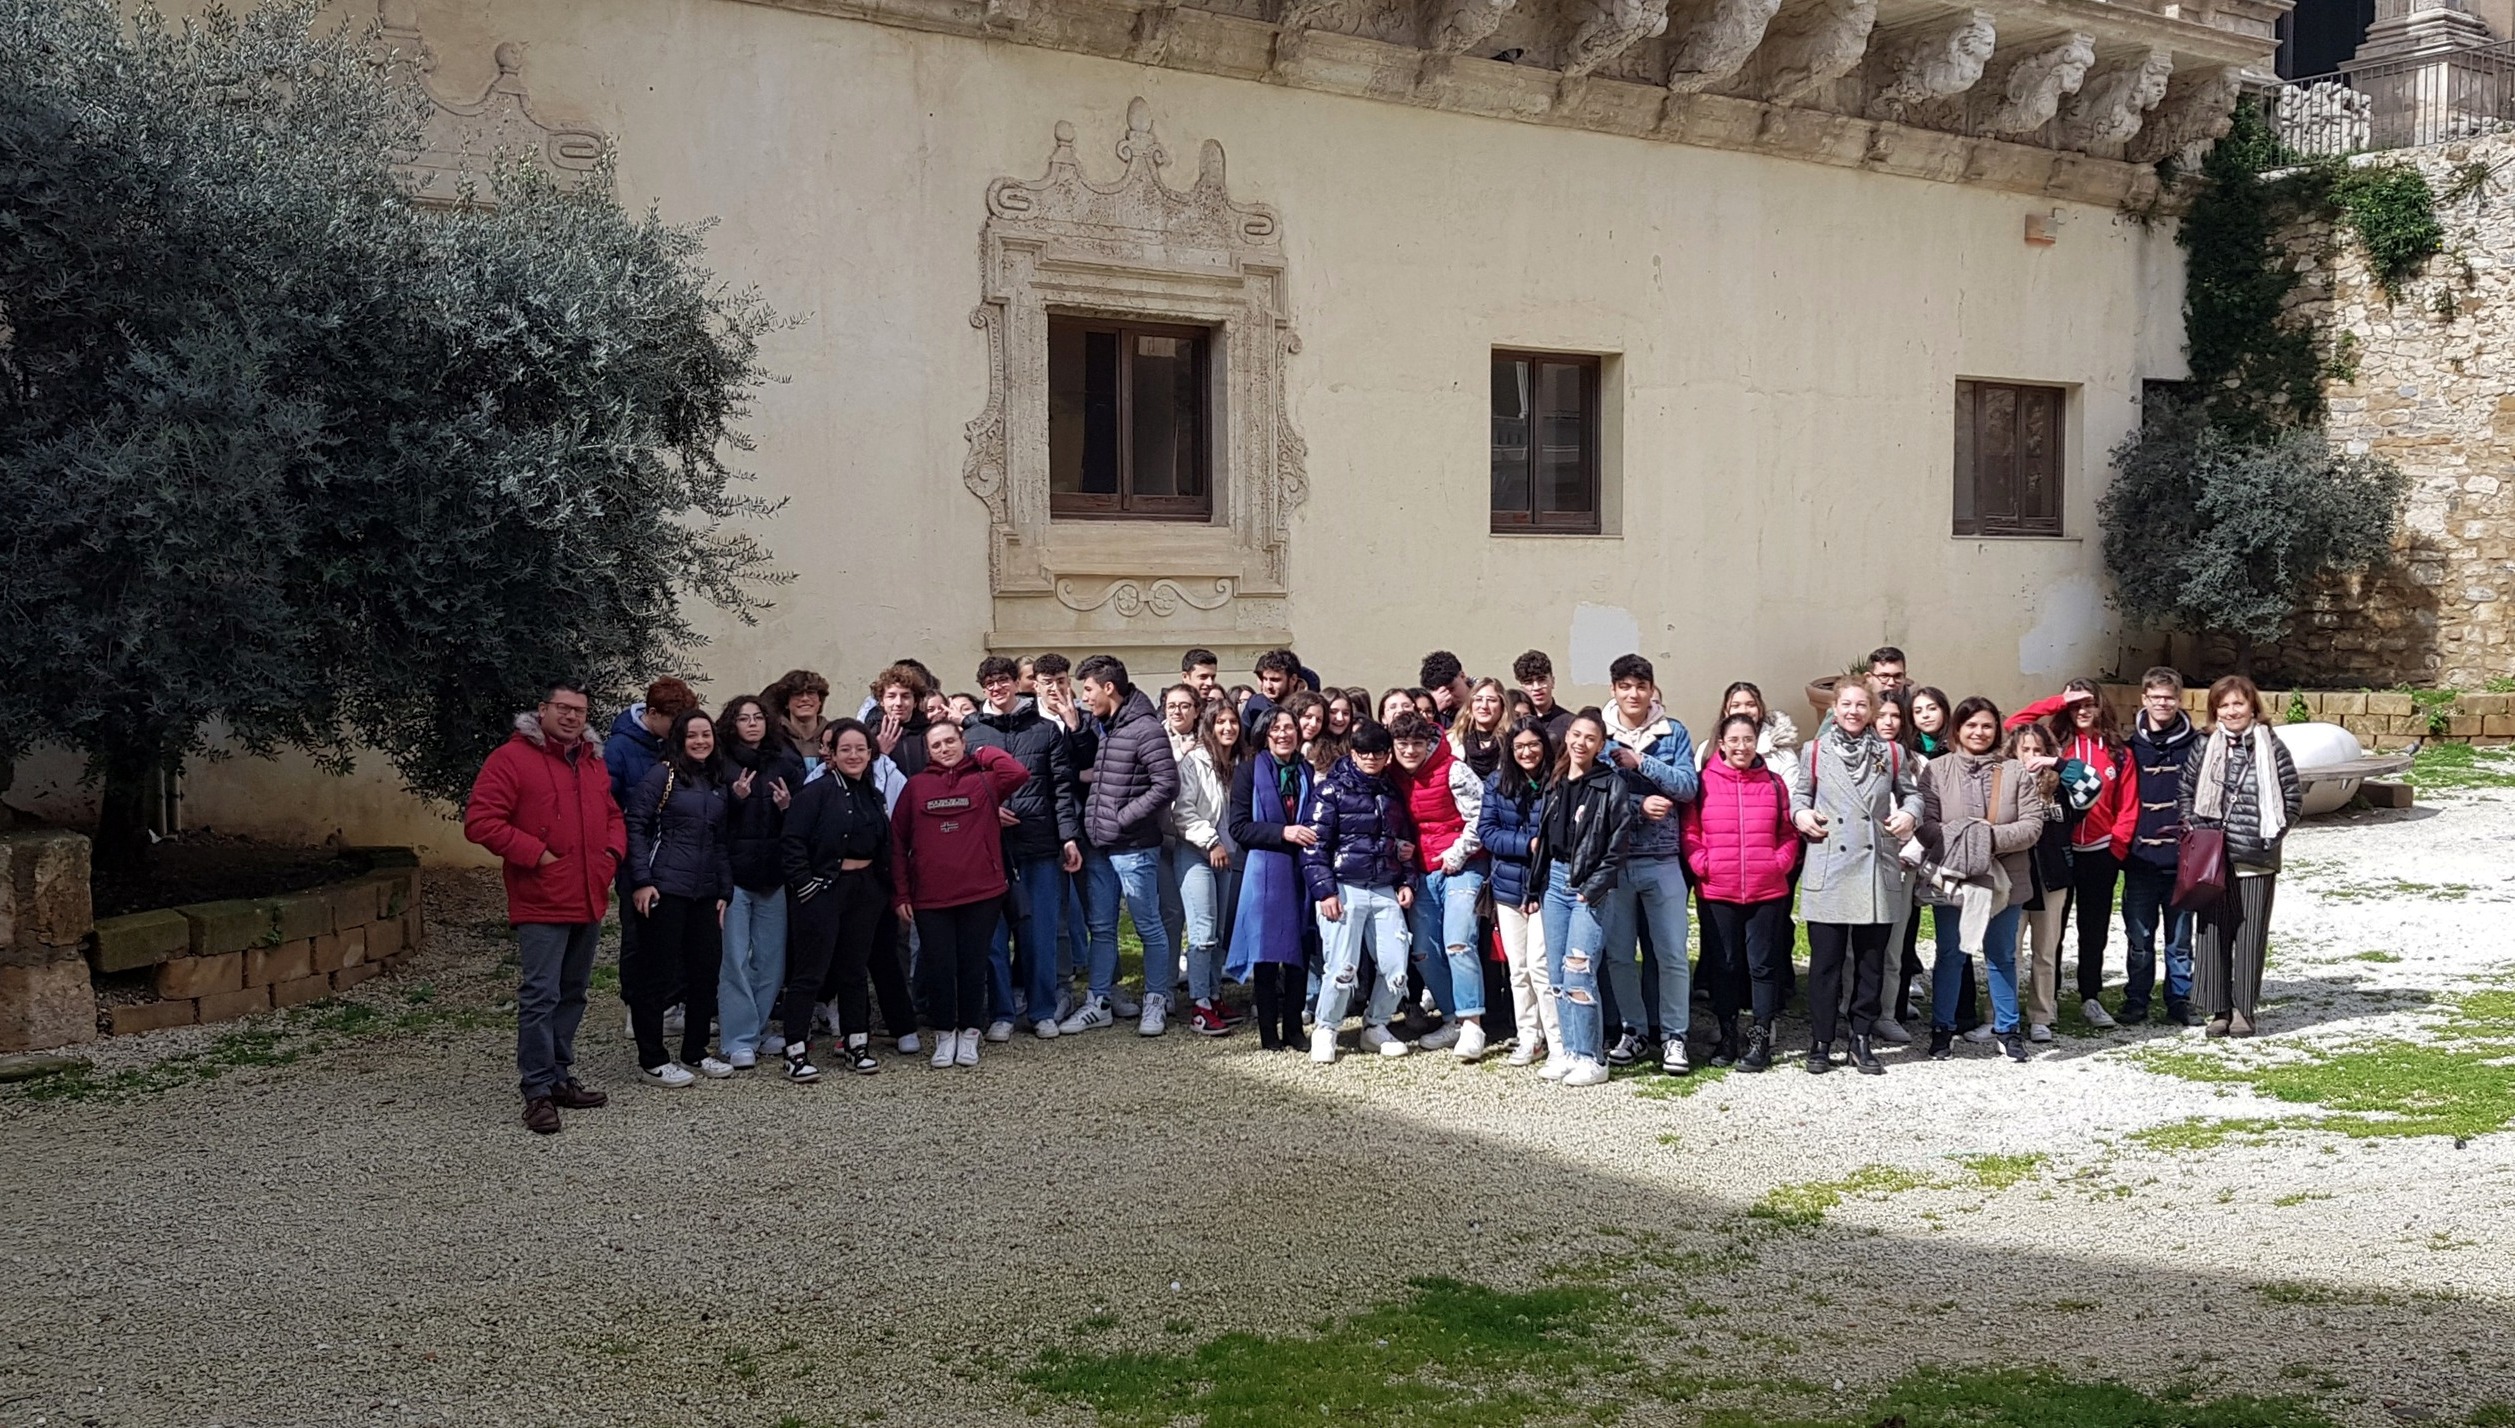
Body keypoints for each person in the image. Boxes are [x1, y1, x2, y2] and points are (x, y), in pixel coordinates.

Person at [464, 680, 625, 1134]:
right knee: (540, 995)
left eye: (579, 710)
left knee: (573, 993)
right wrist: (536, 854)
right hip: (541, 897)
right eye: (563, 708)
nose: (572, 716)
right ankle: (536, 1090)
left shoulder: (592, 762)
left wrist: (610, 855)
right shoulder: (511, 759)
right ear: (543, 709)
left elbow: (613, 815)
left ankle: (558, 1076)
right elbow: (480, 821)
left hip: (588, 894)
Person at [1791, 681, 1921, 1075]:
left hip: (1874, 867)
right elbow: (1800, 795)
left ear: (1873, 709)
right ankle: (1821, 1041)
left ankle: (1861, 1038)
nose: (1853, 711)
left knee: (1870, 962)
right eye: (1846, 704)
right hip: (1830, 864)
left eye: (1861, 705)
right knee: (1825, 963)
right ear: (1835, 707)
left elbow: (1913, 795)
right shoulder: (1814, 752)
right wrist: (1800, 816)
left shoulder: (1893, 753)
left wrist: (1909, 815)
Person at [891, 721, 1031, 1068]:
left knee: (973, 965)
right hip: (931, 898)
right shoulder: (916, 786)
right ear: (928, 751)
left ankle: (970, 1032)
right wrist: (901, 894)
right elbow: (896, 843)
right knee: (940, 967)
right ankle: (943, 1033)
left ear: (962, 742)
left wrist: (983, 753)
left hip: (981, 893)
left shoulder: (984, 780)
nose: (944, 749)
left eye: (950, 741)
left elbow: (1017, 771)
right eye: (936, 745)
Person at [1917, 697, 2046, 1065]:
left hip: (2006, 878)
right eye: (1971, 725)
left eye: (1986, 725)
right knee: (1950, 954)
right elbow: (1927, 825)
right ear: (1957, 729)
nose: (1979, 732)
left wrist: (1987, 839)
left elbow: (2032, 826)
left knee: (2002, 955)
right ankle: (1943, 1029)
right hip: (1953, 879)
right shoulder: (1936, 770)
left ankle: (2007, 1030)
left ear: (1997, 730)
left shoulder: (2015, 772)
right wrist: (1967, 839)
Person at [963, 655, 1083, 1041]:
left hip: (1039, 844)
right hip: (990, 848)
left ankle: (1042, 1009)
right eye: (989, 683)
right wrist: (989, 810)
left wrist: (1068, 837)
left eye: (1003, 681)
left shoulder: (1045, 730)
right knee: (994, 937)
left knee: (1040, 934)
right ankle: (1001, 1012)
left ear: (1017, 683)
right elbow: (963, 791)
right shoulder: (971, 733)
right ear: (984, 689)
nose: (997, 688)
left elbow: (1062, 789)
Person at [2007, 678, 2138, 1029]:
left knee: (2093, 928)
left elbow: (2128, 804)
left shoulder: (2116, 750)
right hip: (2056, 851)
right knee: (2053, 929)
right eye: (2074, 704)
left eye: (2088, 703)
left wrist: (2117, 848)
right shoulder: (2052, 743)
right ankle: (2050, 995)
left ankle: (2090, 996)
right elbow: (2013, 725)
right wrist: (2055, 700)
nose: (2082, 710)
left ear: (2100, 706)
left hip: (2099, 851)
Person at [2179, 675, 2301, 1039]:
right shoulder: (2204, 746)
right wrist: (2195, 831)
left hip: (2255, 856)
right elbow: (2186, 791)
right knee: (2213, 931)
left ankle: (2243, 1010)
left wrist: (2268, 838)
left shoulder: (2272, 748)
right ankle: (2218, 1009)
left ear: (2253, 707)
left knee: (2249, 935)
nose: (2232, 711)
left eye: (2238, 704)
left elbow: (2291, 799)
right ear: (2215, 710)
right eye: (2224, 704)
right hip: (2212, 858)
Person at [1066, 655, 1181, 1035]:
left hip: (1133, 847)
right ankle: (1097, 1002)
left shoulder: (1145, 728)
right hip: (1100, 847)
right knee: (1100, 927)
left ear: (1108, 687)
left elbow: (1166, 784)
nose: (1085, 698)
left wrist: (1122, 817)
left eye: (1088, 689)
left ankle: (1155, 1001)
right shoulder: (1106, 727)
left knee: (1148, 926)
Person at [1597, 654, 1700, 1074]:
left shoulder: (1672, 732)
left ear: (1652, 690)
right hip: (1616, 861)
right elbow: (1597, 793)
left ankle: (1675, 1035)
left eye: (1641, 686)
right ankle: (1633, 1030)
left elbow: (1688, 787)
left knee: (1672, 952)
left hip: (1662, 859)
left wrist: (1643, 763)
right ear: (1613, 690)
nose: (1633, 694)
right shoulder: (1600, 736)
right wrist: (1639, 806)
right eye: (1625, 686)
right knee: (1620, 955)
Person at [624, 708, 736, 1087]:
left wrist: (724, 890)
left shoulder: (717, 781)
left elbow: (720, 841)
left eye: (706, 735)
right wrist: (641, 880)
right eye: (693, 735)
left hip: (704, 892)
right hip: (664, 888)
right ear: (680, 739)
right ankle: (652, 1058)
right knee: (656, 976)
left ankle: (695, 1051)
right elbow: (636, 824)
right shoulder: (663, 774)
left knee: (705, 974)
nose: (701, 741)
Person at [1682, 713, 1799, 1072]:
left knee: (1763, 966)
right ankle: (1728, 1033)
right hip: (1718, 890)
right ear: (1721, 744)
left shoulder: (1775, 783)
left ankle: (1760, 1035)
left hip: (1767, 890)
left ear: (1756, 743)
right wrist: (1703, 865)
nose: (1741, 747)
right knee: (1725, 965)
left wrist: (1778, 864)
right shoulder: (1702, 784)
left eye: (1748, 739)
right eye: (1734, 740)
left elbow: (1788, 832)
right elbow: (1690, 832)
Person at [779, 719, 895, 1079]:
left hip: (865, 891)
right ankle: (795, 1050)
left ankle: (856, 1044)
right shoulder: (815, 794)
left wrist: (881, 887)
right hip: (824, 889)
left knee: (854, 970)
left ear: (871, 753)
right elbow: (792, 842)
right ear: (830, 754)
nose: (854, 755)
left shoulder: (873, 794)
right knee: (809, 973)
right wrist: (806, 886)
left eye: (861, 748)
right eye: (845, 749)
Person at [1300, 721, 1418, 1063]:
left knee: (1396, 967)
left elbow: (1405, 842)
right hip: (1344, 886)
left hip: (1384, 888)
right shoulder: (1331, 791)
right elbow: (1314, 846)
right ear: (1353, 753)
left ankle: (1376, 1025)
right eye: (1364, 752)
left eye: (1378, 752)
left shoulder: (1392, 792)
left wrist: (1407, 880)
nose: (1371, 758)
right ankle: (1326, 1028)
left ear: (1387, 755)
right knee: (1341, 966)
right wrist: (1325, 891)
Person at [1532, 710, 1631, 1087]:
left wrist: (1594, 887)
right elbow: (1544, 839)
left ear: (1601, 745)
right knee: (1557, 972)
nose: (1580, 743)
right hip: (1554, 882)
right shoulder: (1556, 780)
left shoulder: (1610, 784)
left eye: (1590, 738)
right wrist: (1533, 887)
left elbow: (1618, 844)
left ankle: (1593, 1056)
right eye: (1576, 735)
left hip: (1588, 886)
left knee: (1578, 970)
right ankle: (1570, 1051)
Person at [1390, 711, 1486, 1057]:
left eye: (1418, 743)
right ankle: (1452, 1019)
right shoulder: (1392, 774)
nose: (1411, 751)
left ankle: (1473, 1024)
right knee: (1423, 952)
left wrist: (1458, 853)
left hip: (1462, 866)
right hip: (1421, 871)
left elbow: (1480, 816)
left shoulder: (1455, 769)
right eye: (1403, 744)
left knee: (1459, 942)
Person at [1226, 705, 1320, 1050]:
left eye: (1290, 728)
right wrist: (1284, 832)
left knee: (1299, 951)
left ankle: (1294, 1028)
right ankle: (1268, 1032)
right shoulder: (1249, 772)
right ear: (1265, 734)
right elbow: (1239, 827)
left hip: (1301, 871)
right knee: (1267, 955)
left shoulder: (1307, 771)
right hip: (1265, 871)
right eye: (1276, 729)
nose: (1284, 734)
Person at [717, 695, 802, 1070]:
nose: (752, 724)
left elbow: (804, 822)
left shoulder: (785, 761)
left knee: (771, 960)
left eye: (757, 717)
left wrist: (788, 808)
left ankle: (760, 1026)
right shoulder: (719, 763)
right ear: (732, 724)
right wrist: (733, 801)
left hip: (774, 874)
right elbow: (707, 818)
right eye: (743, 718)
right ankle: (737, 1038)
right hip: (734, 875)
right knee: (734, 959)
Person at [2121, 668, 2200, 1025]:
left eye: (2169, 697)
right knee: (2139, 938)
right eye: (2156, 697)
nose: (2163, 703)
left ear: (2179, 700)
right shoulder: (2128, 747)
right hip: (2140, 858)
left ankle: (2179, 1000)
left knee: (2180, 939)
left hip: (2182, 860)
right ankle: (2136, 999)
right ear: (2145, 699)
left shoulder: (2198, 745)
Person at [1479, 719, 1559, 1069]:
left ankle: (1557, 1040)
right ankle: (1529, 1037)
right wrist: (1527, 844)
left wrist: (1543, 849)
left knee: (1541, 967)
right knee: (1518, 968)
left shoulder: (1557, 782)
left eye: (1533, 745)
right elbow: (1487, 831)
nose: (1527, 752)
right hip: (1508, 886)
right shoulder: (1497, 783)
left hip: (1546, 886)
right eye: (1519, 747)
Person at [1170, 701, 1244, 1035]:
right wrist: (1211, 841)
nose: (1228, 728)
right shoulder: (1195, 762)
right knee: (1201, 932)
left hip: (1227, 855)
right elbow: (1183, 811)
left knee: (1218, 932)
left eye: (1233, 722)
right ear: (1210, 726)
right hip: (1196, 853)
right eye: (1221, 722)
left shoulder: (1239, 763)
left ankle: (1215, 996)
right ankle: (1199, 1005)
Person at [2007, 722, 2078, 1045]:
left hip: (2053, 878)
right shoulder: (2004, 781)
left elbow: (2093, 783)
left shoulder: (2062, 785)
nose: (2033, 757)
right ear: (2014, 752)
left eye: (2039, 750)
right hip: (2013, 880)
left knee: (2045, 952)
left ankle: (2041, 1016)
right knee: (2008, 951)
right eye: (2026, 750)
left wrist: (2056, 765)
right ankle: (2000, 1016)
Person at [1696, 681, 1802, 793]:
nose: (1744, 710)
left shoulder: (1782, 753)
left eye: (1750, 705)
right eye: (1735, 705)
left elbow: (1791, 798)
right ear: (1726, 712)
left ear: (1760, 710)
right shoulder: (1706, 749)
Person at [869, 663, 934, 782]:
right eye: (891, 696)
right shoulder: (870, 736)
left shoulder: (930, 733)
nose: (898, 703)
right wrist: (878, 753)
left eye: (905, 696)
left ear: (915, 702)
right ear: (881, 701)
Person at [763, 670, 832, 770]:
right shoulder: (772, 738)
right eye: (797, 694)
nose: (804, 698)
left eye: (810, 693)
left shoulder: (835, 735)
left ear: (820, 701)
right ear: (786, 702)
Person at [1451, 677, 1509, 780]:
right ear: (1470, 705)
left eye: (1491, 700)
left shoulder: (1512, 741)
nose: (1484, 706)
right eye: (1478, 699)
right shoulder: (1452, 741)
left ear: (1502, 706)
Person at [1513, 650, 1573, 745]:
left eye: (1541, 680)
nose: (1536, 687)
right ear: (1521, 688)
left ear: (1552, 682)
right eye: (1529, 682)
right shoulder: (1513, 722)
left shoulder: (1570, 723)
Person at [1242, 648, 1300, 734]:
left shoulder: (1305, 706)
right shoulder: (1254, 704)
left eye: (1275, 680)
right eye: (1265, 679)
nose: (1268, 685)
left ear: (1293, 679)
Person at [1420, 650, 1470, 728]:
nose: (1448, 697)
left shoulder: (1488, 695)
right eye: (1441, 693)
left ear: (1462, 676)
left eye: (1451, 689)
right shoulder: (1437, 710)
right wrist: (1432, 709)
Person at [1909, 686, 1954, 758]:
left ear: (1944, 711)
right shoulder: (1907, 747)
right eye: (1918, 711)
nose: (1925, 715)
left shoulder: (1959, 744)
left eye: (1932, 709)